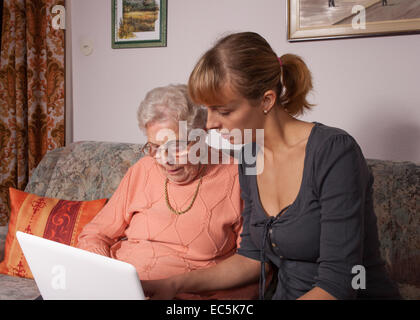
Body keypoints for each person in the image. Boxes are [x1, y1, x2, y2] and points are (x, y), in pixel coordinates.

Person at [141, 32, 401, 300]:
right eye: (207, 109)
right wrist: (173, 285)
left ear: (266, 100)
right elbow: (252, 258)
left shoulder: (334, 152)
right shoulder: (250, 156)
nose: (209, 124)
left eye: (224, 111)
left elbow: (339, 283)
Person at [74, 84, 259, 299]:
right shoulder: (142, 169)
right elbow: (95, 234)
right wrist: (106, 275)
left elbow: (254, 266)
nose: (165, 160)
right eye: (154, 147)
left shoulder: (239, 177)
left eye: (177, 147)